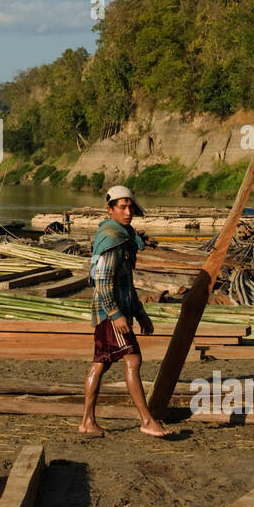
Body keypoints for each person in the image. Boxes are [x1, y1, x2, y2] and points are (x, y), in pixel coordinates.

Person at [80, 185, 172, 439]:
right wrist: (116, 314)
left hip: (112, 312)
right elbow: (103, 281)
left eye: (130, 206)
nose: (128, 211)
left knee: (100, 364)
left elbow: (126, 283)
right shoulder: (111, 238)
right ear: (110, 209)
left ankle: (87, 421)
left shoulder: (123, 236)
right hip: (111, 313)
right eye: (122, 207)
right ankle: (146, 420)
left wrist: (140, 313)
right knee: (132, 360)